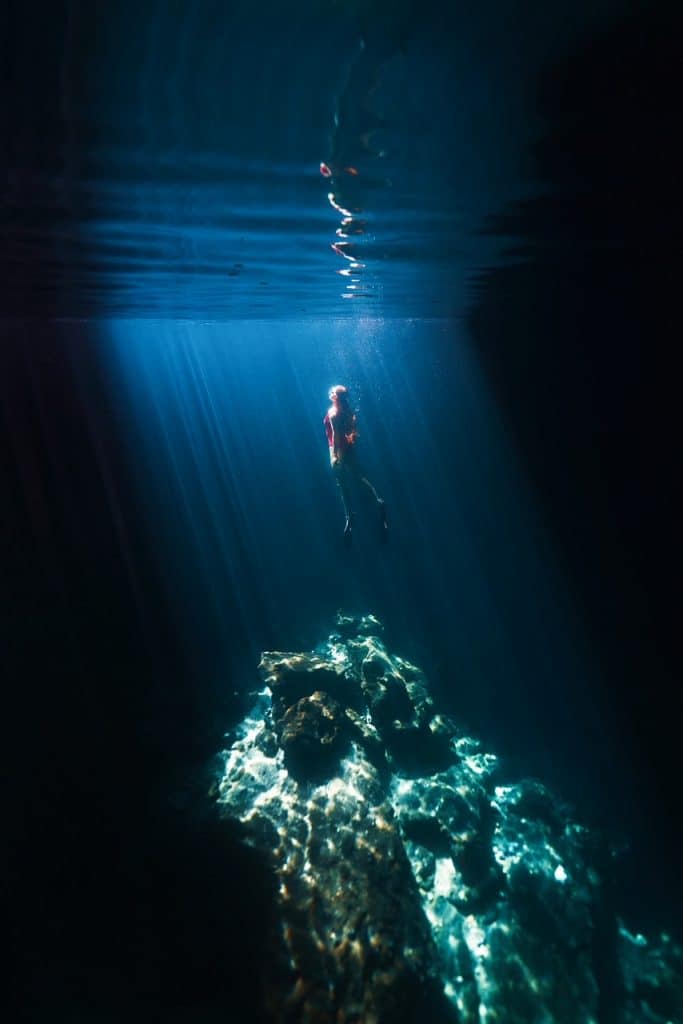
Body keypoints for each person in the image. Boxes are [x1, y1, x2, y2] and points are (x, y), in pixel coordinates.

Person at [324, 384, 387, 543]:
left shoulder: (333, 414)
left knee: (342, 483)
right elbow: (351, 431)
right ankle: (378, 500)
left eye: (333, 393)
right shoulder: (348, 411)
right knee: (360, 476)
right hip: (348, 447)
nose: (330, 393)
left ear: (335, 397)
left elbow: (336, 435)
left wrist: (335, 457)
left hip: (337, 448)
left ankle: (349, 516)